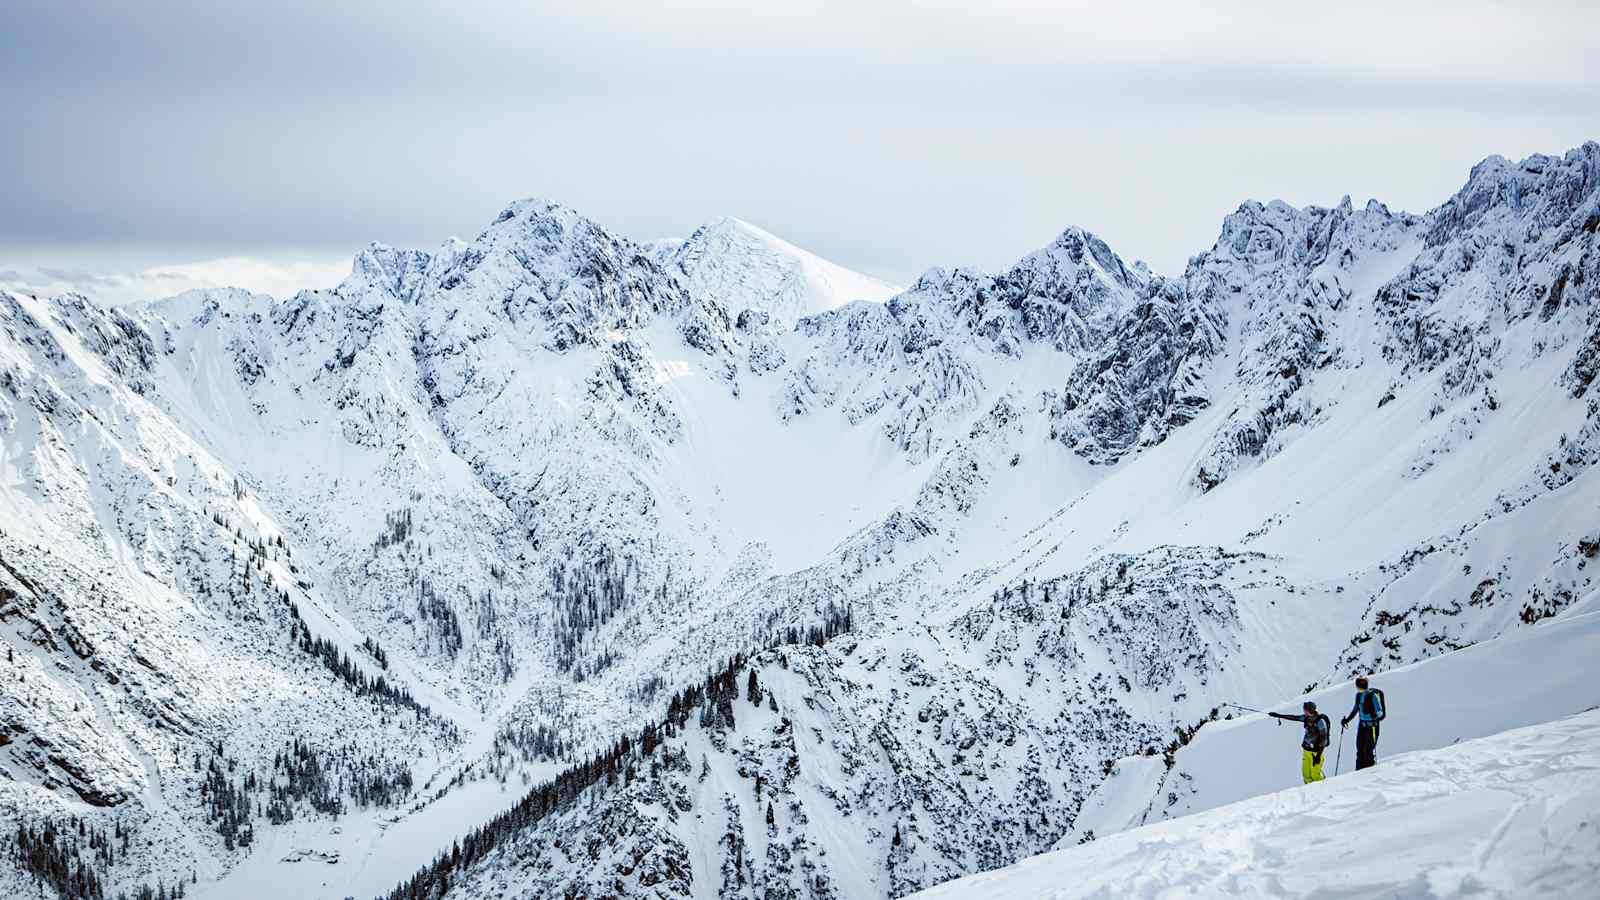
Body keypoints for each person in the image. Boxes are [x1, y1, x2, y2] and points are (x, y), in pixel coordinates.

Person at [1269, 700, 1331, 784]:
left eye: (1304, 709)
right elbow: (1293, 717)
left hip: (1316, 752)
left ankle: (1324, 788)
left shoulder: (1320, 721)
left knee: (1315, 776)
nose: (1303, 711)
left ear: (1309, 710)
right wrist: (1277, 715)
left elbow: (1324, 739)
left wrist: (1318, 756)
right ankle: (1311, 792)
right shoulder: (1306, 718)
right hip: (1306, 750)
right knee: (1306, 775)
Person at [1341, 676, 1385, 770]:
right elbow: (1356, 709)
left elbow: (1380, 712)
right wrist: (1347, 720)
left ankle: (1369, 774)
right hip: (1362, 727)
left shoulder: (1372, 696)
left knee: (1368, 752)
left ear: (1360, 686)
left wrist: (1373, 714)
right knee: (1360, 750)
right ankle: (1358, 772)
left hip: (1372, 727)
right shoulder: (1358, 695)